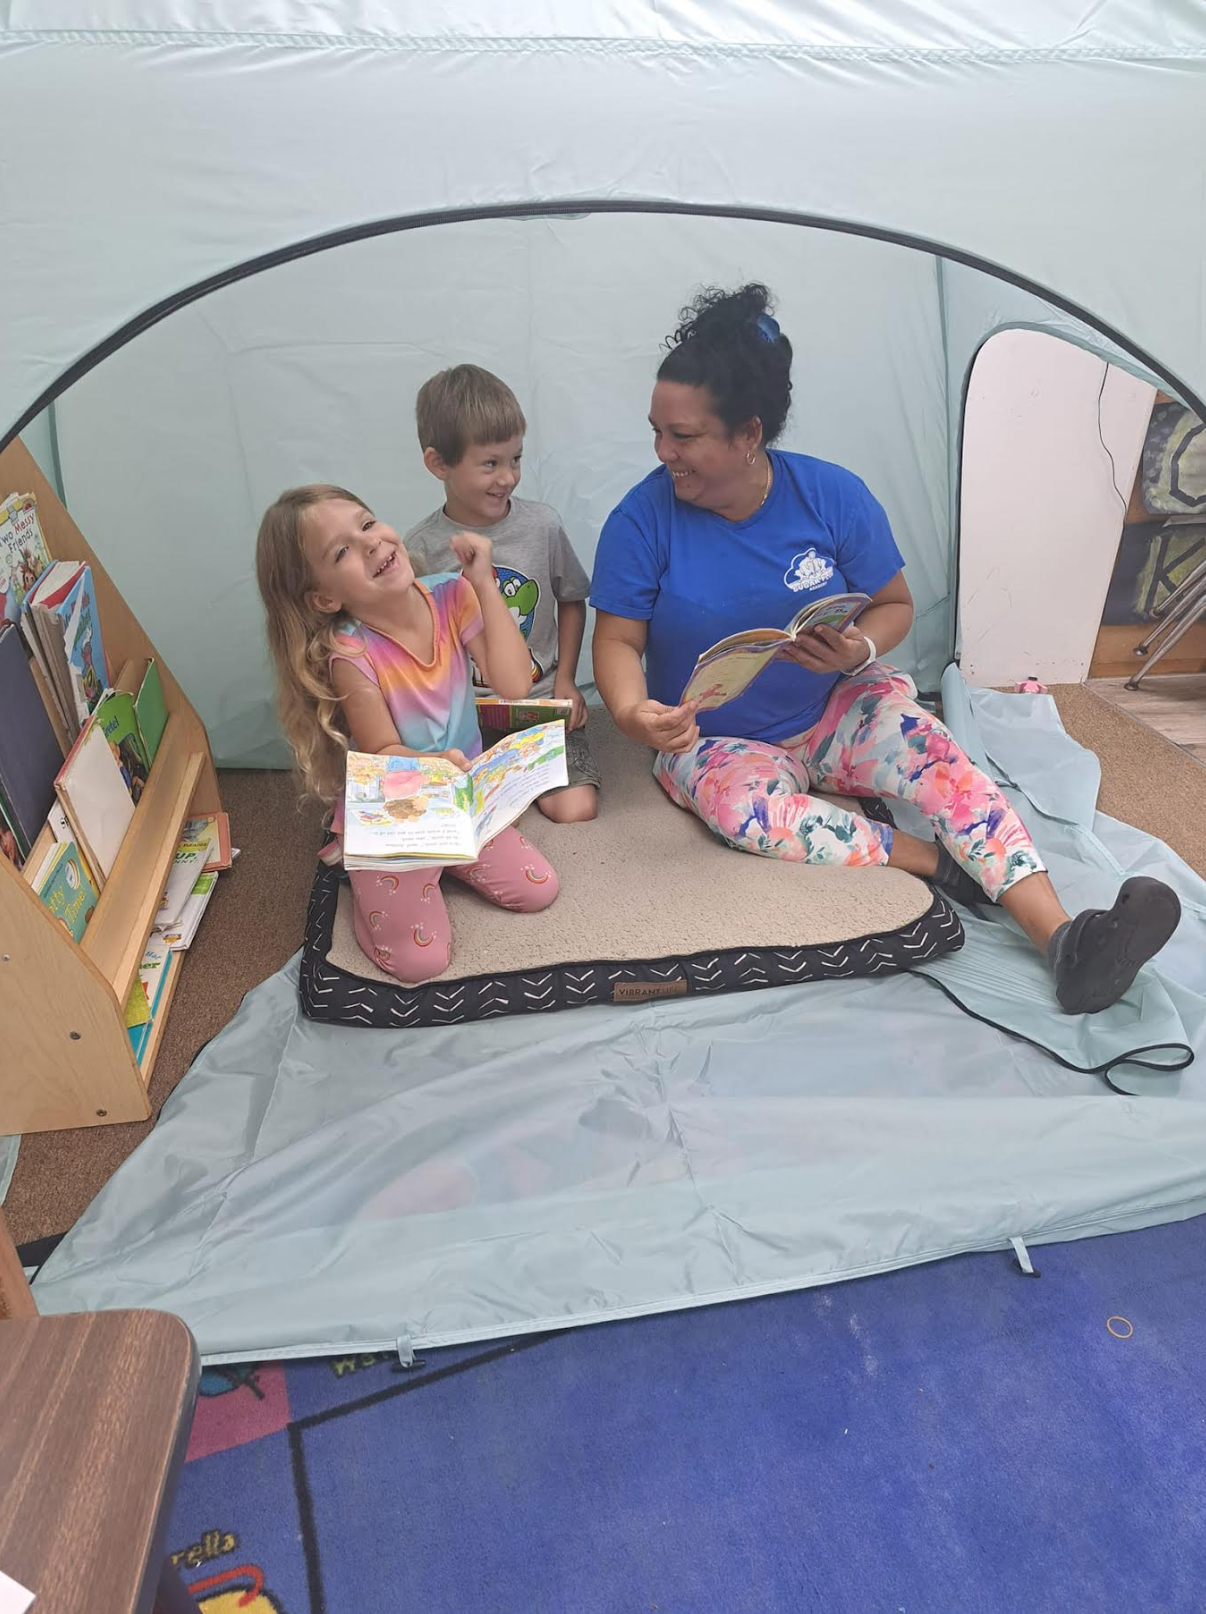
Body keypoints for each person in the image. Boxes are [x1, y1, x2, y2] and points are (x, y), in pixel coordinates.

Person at [591, 283, 1180, 1015]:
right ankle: (942, 867)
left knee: (944, 763)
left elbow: (895, 604)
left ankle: (1065, 942)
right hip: (716, 736)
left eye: (683, 437)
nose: (662, 452)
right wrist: (631, 711)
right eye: (656, 431)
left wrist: (856, 649)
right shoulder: (642, 518)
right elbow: (616, 638)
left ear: (747, 435)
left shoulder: (831, 497)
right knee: (749, 816)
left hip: (834, 706)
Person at [257, 483, 559, 985]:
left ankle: (437, 863)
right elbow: (382, 752)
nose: (371, 543)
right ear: (325, 597)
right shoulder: (350, 654)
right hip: (396, 805)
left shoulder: (451, 595)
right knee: (420, 962)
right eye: (342, 550)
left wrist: (483, 582)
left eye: (367, 523)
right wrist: (434, 764)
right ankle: (360, 866)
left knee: (538, 889)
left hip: (460, 793)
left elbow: (512, 683)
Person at [405, 364, 600, 824]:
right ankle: (502, 783)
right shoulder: (421, 548)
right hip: (465, 717)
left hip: (539, 704)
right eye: (490, 463)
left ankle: (515, 779)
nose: (508, 477)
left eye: (515, 459)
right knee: (450, 816)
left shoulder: (543, 526)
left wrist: (568, 680)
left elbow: (572, 599)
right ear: (439, 464)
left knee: (575, 809)